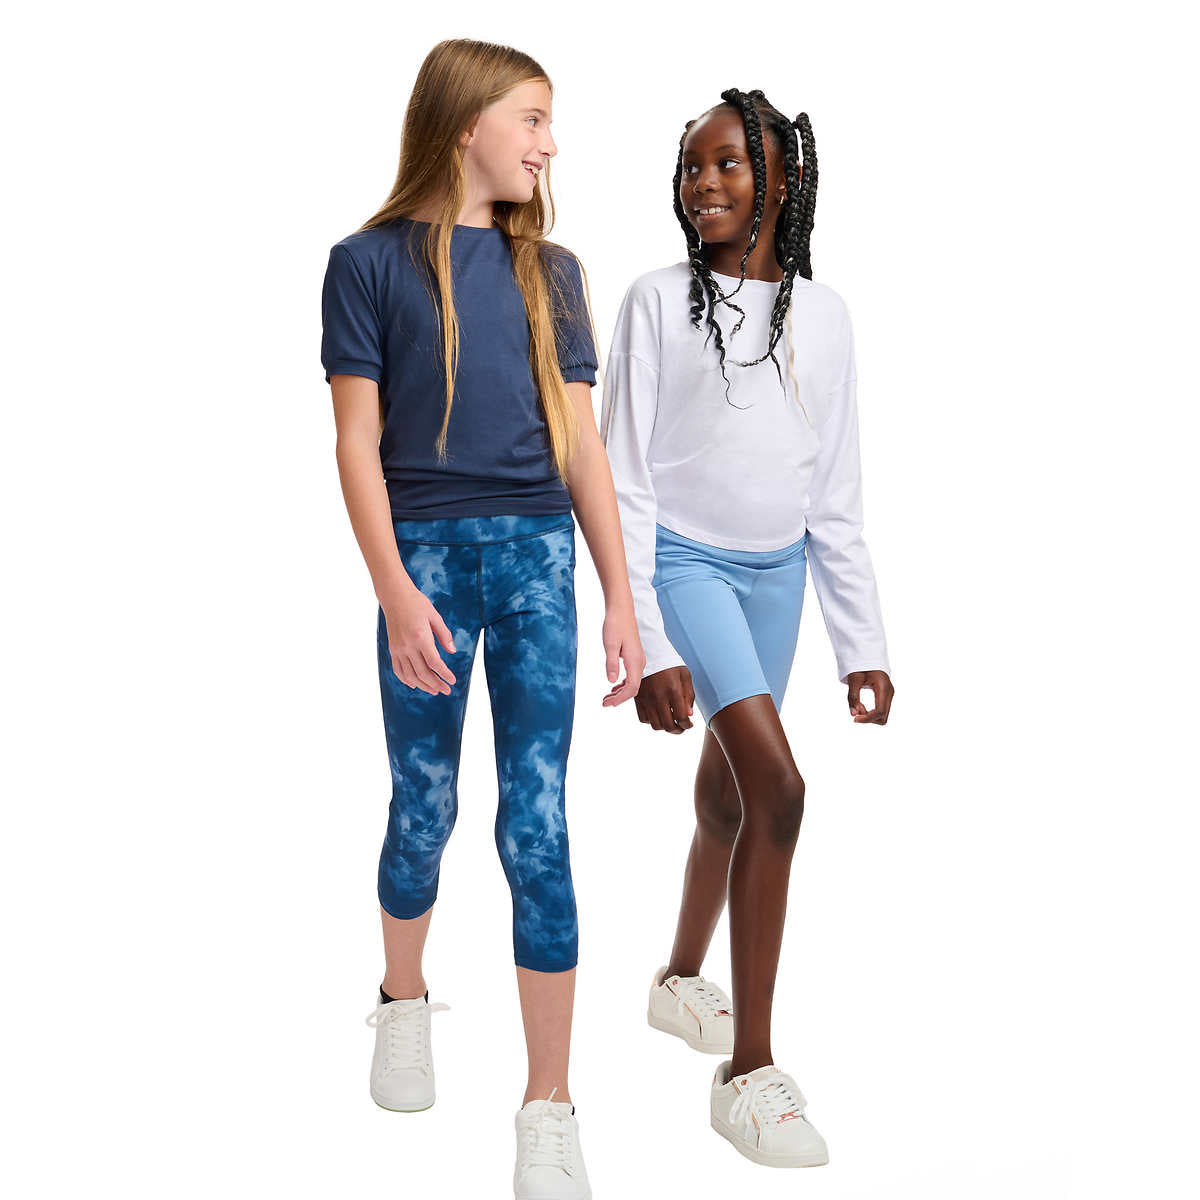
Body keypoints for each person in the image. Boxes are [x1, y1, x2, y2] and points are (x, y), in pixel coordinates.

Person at [321, 38, 643, 1200]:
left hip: (537, 563)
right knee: (425, 806)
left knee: (537, 824)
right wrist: (394, 590)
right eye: (533, 119)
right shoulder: (365, 264)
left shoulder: (551, 272)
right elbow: (356, 441)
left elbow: (581, 446)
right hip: (424, 561)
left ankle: (549, 1104)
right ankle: (402, 998)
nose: (549, 143)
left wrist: (619, 594)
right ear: (467, 124)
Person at [601, 87, 895, 1169]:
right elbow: (622, 479)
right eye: (693, 165)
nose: (705, 183)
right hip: (686, 564)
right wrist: (649, 643)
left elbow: (836, 491)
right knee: (780, 790)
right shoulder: (653, 300)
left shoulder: (827, 316)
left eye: (728, 163)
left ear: (785, 180)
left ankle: (680, 981)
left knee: (729, 794)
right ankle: (748, 1072)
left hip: (780, 574)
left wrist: (861, 644)